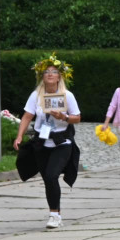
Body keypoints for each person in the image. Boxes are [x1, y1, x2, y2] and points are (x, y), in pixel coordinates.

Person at [14, 54, 81, 230]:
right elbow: (27, 116)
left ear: (60, 76)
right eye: (46, 72)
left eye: (54, 71)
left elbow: (77, 118)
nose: (50, 74)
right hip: (42, 141)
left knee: (52, 175)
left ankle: (53, 215)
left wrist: (64, 116)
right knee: (48, 179)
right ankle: (56, 213)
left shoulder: (67, 95)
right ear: (42, 76)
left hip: (62, 141)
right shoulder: (36, 95)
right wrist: (19, 136)